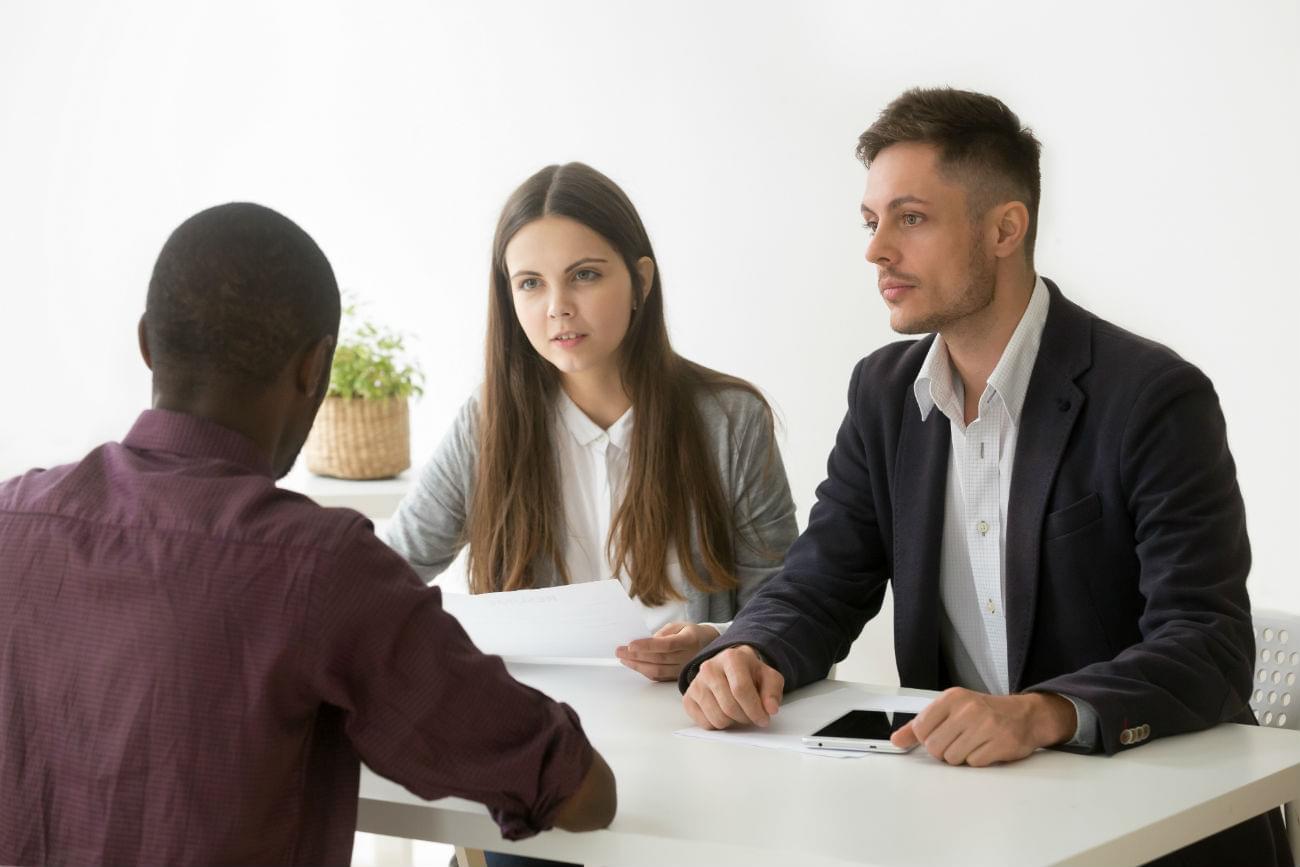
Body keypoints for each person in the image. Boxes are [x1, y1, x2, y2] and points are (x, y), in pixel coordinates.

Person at [678, 88, 1290, 866]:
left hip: (1158, 829)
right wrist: (748, 650)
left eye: (911, 218)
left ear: (1005, 227)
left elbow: (1207, 640)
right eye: (872, 223)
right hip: (973, 824)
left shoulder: (1151, 397)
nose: (876, 252)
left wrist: (1043, 713)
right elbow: (821, 583)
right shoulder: (883, 394)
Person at [0, 203, 615, 867]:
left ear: (148, 343)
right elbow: (581, 791)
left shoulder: (12, 519)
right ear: (315, 367)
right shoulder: (323, 568)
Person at [385, 162, 798, 683]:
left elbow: (790, 614)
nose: (558, 308)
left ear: (640, 281)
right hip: (539, 722)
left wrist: (717, 641)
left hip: (695, 722)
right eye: (531, 283)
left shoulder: (730, 421)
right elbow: (386, 574)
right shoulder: (488, 421)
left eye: (585, 275)